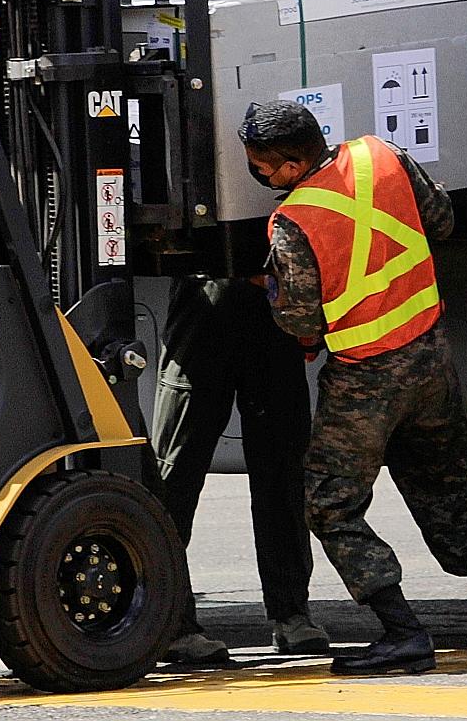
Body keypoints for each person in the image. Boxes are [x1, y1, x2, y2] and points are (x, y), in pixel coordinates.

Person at [240, 100, 467, 675]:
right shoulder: (382, 155)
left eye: (263, 168)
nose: (262, 178)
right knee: (444, 485)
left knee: (328, 504)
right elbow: (442, 221)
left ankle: (403, 632)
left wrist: (268, 287)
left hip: (367, 375)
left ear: (292, 165)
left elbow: (300, 322)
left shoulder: (292, 222)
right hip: (431, 353)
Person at [151, 277, 330, 663]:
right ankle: (170, 622)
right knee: (174, 474)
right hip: (203, 295)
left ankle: (291, 612)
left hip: (273, 298)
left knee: (284, 470)